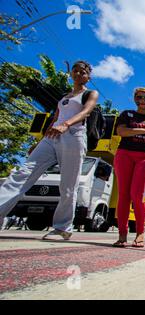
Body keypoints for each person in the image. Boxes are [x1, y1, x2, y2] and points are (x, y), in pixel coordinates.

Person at [0, 60, 98, 240]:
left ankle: (62, 228)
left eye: (82, 72)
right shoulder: (64, 97)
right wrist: (39, 142)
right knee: (22, 174)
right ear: (71, 74)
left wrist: (66, 125)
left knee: (68, 185)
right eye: (75, 71)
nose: (78, 74)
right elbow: (55, 118)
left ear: (88, 77)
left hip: (74, 136)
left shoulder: (90, 93)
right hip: (51, 137)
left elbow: (86, 112)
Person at [112, 87, 145, 248]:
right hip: (124, 154)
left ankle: (140, 232)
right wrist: (144, 130)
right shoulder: (127, 114)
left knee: (137, 195)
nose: (142, 100)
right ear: (135, 99)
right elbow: (121, 131)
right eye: (139, 97)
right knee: (123, 194)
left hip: (144, 158)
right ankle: (122, 234)